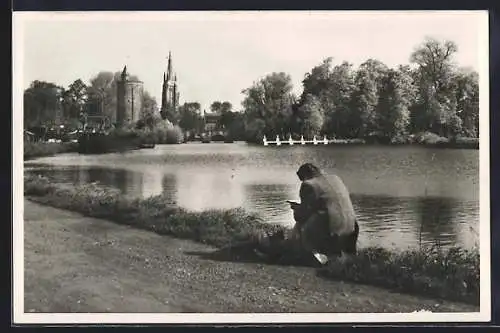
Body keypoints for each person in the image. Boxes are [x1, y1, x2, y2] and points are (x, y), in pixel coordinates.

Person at [289, 163, 359, 265]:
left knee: (301, 224)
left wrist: (296, 209)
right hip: (351, 227)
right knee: (320, 215)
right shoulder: (335, 179)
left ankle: (312, 256)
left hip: (331, 229)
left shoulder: (308, 184)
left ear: (304, 176)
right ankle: (342, 258)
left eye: (301, 179)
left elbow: (301, 216)